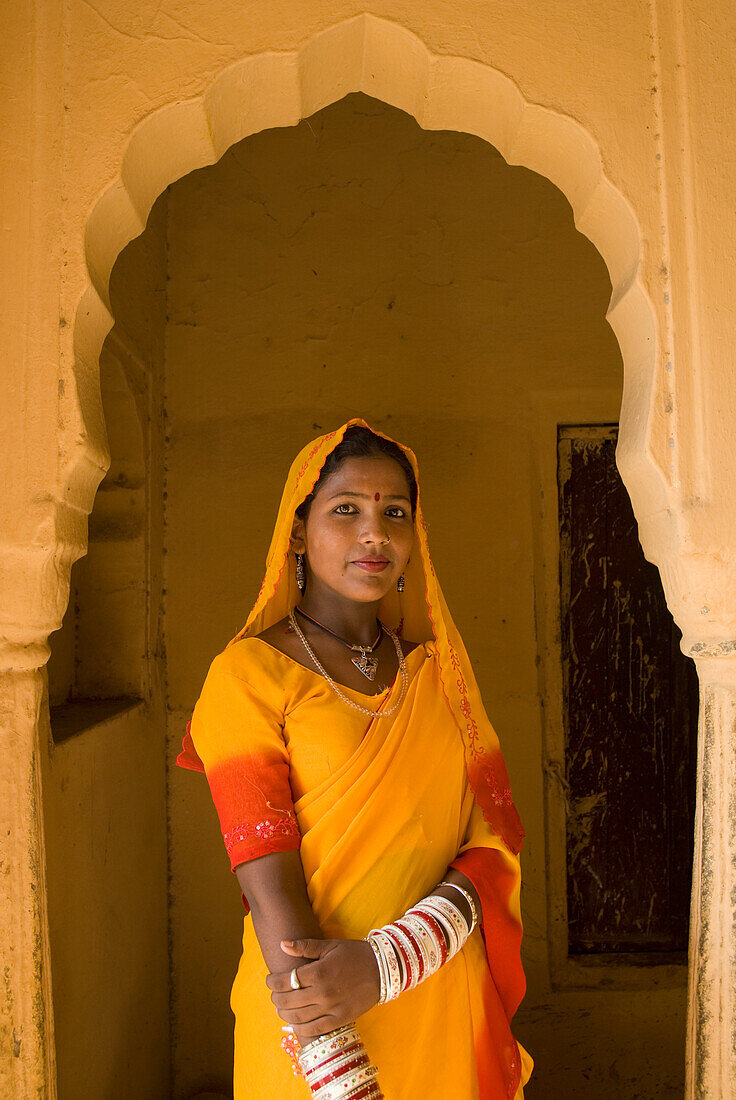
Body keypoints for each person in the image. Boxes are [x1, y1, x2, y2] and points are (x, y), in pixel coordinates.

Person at [177, 418, 533, 1099]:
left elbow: (494, 844)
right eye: (347, 510)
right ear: (298, 534)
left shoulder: (439, 679)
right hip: (309, 1018)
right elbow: (265, 878)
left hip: (437, 997)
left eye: (394, 512)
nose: (376, 534)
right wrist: (334, 1063)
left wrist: (389, 962)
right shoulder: (247, 675)